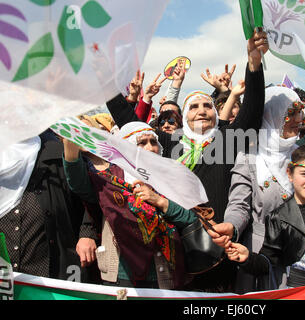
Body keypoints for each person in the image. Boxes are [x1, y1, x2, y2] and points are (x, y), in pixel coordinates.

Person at [104, 29, 269, 292]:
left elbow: (253, 110)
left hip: (220, 243)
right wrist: (104, 81)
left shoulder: (228, 139)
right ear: (185, 116)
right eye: (193, 107)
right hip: (176, 246)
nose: (201, 110)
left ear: (216, 113)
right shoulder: (168, 142)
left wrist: (254, 65)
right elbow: (130, 122)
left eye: (207, 106)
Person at [62, 121, 195, 289]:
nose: (150, 148)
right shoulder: (109, 179)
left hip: (164, 274)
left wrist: (160, 201)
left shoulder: (172, 179)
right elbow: (78, 183)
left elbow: (190, 218)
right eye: (142, 142)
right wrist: (70, 147)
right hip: (120, 276)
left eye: (153, 142)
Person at [221, 144, 305, 300]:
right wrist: (247, 257)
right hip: (297, 293)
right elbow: (269, 262)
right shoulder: (279, 217)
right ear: (290, 174)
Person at [210, 86, 304, 293]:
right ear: (273, 116)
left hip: (304, 254)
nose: (300, 119)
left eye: (300, 111)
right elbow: (239, 204)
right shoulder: (249, 157)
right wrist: (232, 225)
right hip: (261, 255)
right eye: (292, 113)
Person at [0, 129, 93, 282]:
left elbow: (86, 196)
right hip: (7, 267)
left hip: (49, 260)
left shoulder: (58, 155)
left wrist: (86, 234)